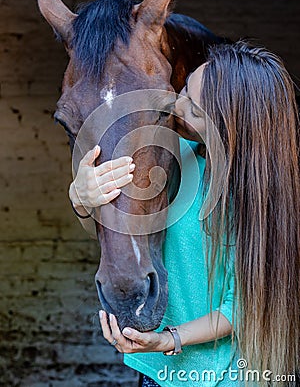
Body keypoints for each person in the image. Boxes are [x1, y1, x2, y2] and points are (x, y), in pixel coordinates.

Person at [69, 41, 300, 387]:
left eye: (192, 107)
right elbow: (120, 216)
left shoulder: (258, 200)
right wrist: (81, 196)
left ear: (228, 127)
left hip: (225, 377)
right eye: (184, 87)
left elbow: (240, 306)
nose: (176, 104)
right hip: (158, 372)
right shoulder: (172, 154)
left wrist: (171, 338)